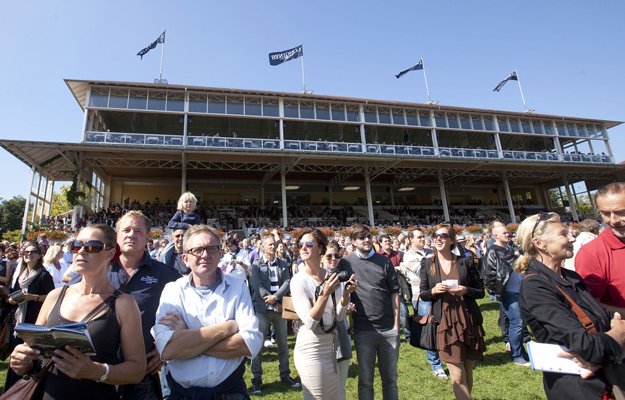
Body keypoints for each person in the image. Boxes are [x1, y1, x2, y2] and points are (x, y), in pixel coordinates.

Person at [9, 224, 146, 399]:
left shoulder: (123, 304)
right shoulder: (55, 296)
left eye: (92, 247)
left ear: (110, 254)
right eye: (76, 245)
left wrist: (96, 371)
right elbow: (33, 352)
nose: (81, 251)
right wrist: (22, 361)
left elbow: (137, 370)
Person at [516, 212, 625, 400]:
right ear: (539, 243)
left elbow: (599, 319)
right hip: (580, 387)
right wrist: (618, 336)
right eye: (563, 234)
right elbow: (585, 346)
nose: (572, 238)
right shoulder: (535, 286)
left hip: (604, 379)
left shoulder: (570, 276)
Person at [151, 224, 263, 399]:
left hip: (229, 393)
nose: (205, 255)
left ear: (220, 254)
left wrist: (187, 337)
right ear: (185, 258)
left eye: (211, 248)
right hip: (181, 394)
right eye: (197, 250)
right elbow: (167, 349)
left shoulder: (237, 288)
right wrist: (228, 329)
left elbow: (251, 343)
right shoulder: (173, 291)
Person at [113, 211, 181, 399]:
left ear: (148, 237)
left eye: (138, 231)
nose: (131, 235)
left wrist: (164, 349)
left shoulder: (167, 275)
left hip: (141, 374)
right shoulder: (99, 269)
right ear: (117, 236)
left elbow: (184, 317)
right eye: (125, 230)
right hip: (97, 368)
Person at [419, 224, 486, 400]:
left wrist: (465, 290)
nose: (438, 239)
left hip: (468, 319)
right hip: (445, 322)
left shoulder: (466, 262)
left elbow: (480, 291)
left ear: (452, 240)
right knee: (457, 376)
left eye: (443, 236)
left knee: (467, 371)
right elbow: (423, 294)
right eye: (435, 235)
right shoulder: (428, 263)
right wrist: (433, 291)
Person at [291, 228, 357, 399]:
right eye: (300, 245)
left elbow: (340, 317)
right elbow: (310, 322)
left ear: (320, 248)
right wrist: (325, 294)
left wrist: (345, 295)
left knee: (335, 396)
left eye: (309, 244)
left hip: (331, 346)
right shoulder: (298, 280)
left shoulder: (330, 275)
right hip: (310, 347)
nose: (303, 248)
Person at [338, 224, 400, 400]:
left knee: (390, 380)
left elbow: (395, 292)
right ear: (353, 241)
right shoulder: (346, 262)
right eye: (361, 237)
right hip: (363, 329)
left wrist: (396, 325)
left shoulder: (384, 261)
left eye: (368, 236)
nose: (366, 240)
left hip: (388, 328)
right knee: (365, 380)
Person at [250, 236, 300, 395]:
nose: (273, 246)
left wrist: (276, 298)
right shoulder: (256, 264)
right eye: (270, 244)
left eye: (274, 244)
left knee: (283, 346)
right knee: (257, 347)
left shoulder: (283, 264)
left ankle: (285, 375)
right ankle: (256, 379)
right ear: (263, 247)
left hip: (278, 311)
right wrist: (272, 302)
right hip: (263, 311)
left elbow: (287, 282)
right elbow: (257, 285)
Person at [5, 240, 55, 389]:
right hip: (18, 319)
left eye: (32, 252)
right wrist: (12, 299)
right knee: (16, 355)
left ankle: (27, 389)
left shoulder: (43, 275)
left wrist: (33, 297)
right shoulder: (21, 274)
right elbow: (14, 290)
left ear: (39, 255)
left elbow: (51, 297)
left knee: (29, 357)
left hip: (34, 320)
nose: (28, 255)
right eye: (25, 252)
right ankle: (12, 388)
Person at [402, 229, 447, 379]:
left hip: (440, 293)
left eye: (423, 236)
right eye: (419, 237)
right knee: (430, 329)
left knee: (443, 325)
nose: (423, 239)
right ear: (410, 240)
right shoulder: (408, 256)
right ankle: (436, 365)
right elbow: (427, 272)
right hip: (422, 297)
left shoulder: (431, 252)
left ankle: (447, 356)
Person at [481, 225, 529, 366]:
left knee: (520, 323)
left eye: (508, 233)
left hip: (520, 290)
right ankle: (517, 355)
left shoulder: (511, 249)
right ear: (495, 235)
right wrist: (496, 291)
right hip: (508, 293)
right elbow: (488, 275)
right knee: (517, 323)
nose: (507, 235)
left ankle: (522, 352)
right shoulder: (493, 252)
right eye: (504, 233)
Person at [576, 183, 625, 317]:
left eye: (621, 212)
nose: (613, 220)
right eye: (605, 213)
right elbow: (591, 305)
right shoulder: (592, 253)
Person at [322, 242, 352, 400]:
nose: (333, 259)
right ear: (321, 258)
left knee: (340, 387)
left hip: (341, 332)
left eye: (336, 256)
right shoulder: (316, 279)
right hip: (323, 336)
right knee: (323, 387)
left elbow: (343, 308)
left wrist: (348, 303)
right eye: (329, 256)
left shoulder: (344, 278)